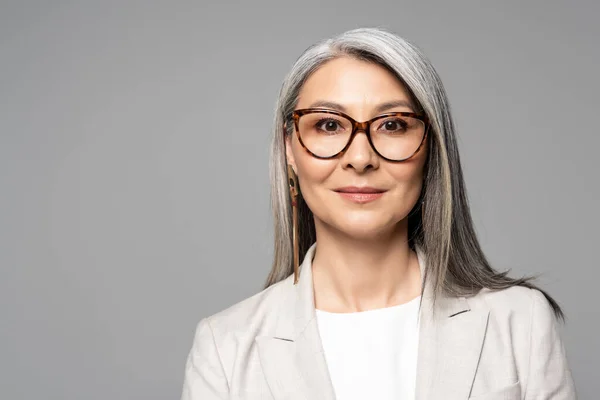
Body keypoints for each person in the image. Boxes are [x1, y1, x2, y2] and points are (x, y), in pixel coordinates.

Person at [180, 27, 576, 399]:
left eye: (393, 125)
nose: (360, 158)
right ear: (289, 149)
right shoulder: (225, 347)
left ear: (430, 146)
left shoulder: (520, 323)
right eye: (329, 125)